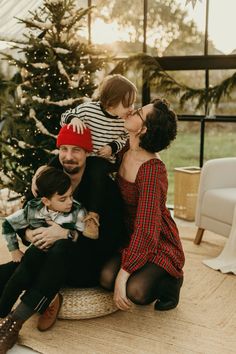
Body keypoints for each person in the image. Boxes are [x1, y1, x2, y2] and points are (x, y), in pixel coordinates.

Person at [0, 126, 127, 353]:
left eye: (76, 150)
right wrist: (30, 234)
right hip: (44, 254)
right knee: (17, 266)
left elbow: (107, 241)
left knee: (57, 250)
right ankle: (22, 307)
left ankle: (14, 321)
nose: (68, 156)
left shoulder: (103, 187)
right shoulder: (49, 176)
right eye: (64, 149)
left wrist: (66, 234)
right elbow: (26, 214)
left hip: (85, 262)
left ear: (87, 152)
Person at [99, 98, 185, 312]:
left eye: (137, 112)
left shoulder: (152, 170)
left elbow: (147, 229)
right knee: (105, 278)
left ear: (143, 129)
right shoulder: (123, 148)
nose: (131, 111)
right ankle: (137, 269)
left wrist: (124, 274)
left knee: (136, 291)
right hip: (129, 234)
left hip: (156, 238)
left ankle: (172, 282)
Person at [0, 166, 87, 325]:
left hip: (62, 260)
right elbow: (8, 224)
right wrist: (14, 250)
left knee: (32, 260)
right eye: (63, 199)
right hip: (37, 256)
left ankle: (16, 320)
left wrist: (66, 234)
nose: (70, 202)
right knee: (20, 269)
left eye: (71, 196)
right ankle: (2, 312)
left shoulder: (77, 210)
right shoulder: (34, 209)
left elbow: (84, 238)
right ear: (46, 201)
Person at [61, 74, 137, 238]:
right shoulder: (89, 110)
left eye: (132, 103)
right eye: (127, 104)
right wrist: (73, 119)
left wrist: (112, 147)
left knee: (96, 172)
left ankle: (93, 217)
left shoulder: (123, 120)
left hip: (103, 161)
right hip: (83, 156)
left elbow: (124, 138)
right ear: (111, 103)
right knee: (58, 164)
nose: (131, 108)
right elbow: (64, 116)